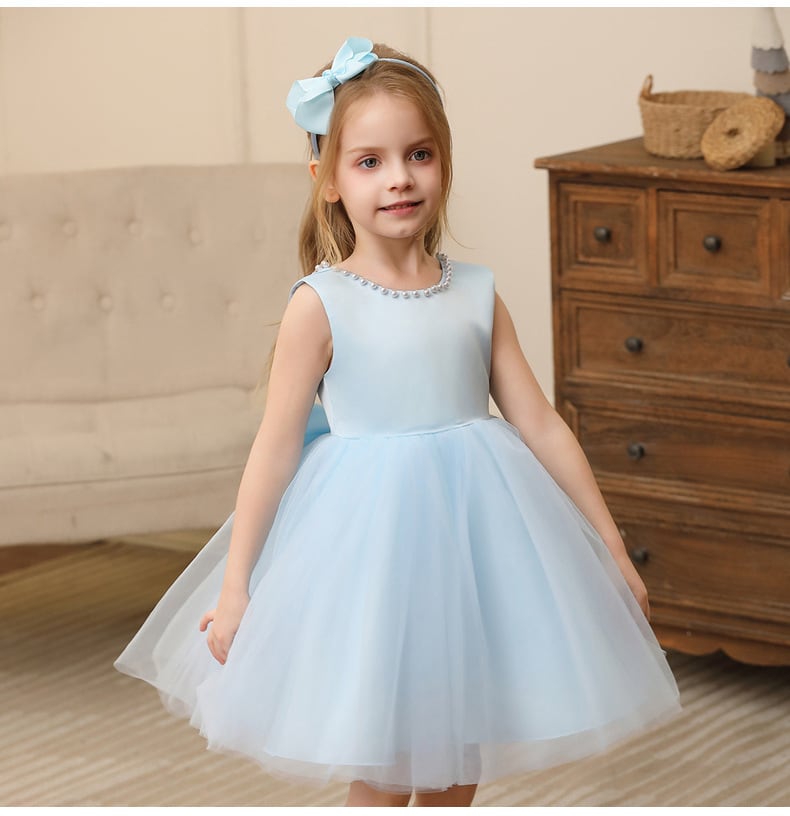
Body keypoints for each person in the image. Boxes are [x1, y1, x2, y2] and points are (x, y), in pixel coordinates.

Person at [115, 37, 680, 808]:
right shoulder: (320, 304)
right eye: (369, 162)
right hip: (369, 555)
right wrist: (239, 585)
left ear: (443, 161)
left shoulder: (476, 293)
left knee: (458, 759)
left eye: (419, 154)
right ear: (328, 182)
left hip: (478, 544)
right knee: (383, 765)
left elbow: (543, 426)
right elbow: (274, 452)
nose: (400, 178)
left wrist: (610, 548)